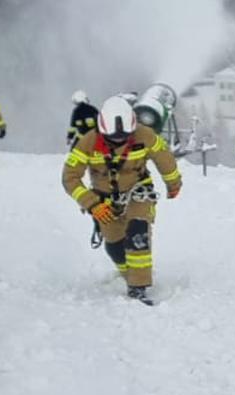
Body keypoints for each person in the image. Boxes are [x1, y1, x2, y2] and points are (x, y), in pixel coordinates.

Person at [62, 96, 182, 305]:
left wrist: (173, 184)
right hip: (103, 201)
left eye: (124, 137)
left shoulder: (145, 135)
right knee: (114, 246)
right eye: (113, 138)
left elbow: (165, 159)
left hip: (138, 192)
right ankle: (129, 273)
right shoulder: (87, 142)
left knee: (138, 232)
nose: (119, 141)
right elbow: (69, 177)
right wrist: (92, 204)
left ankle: (138, 288)